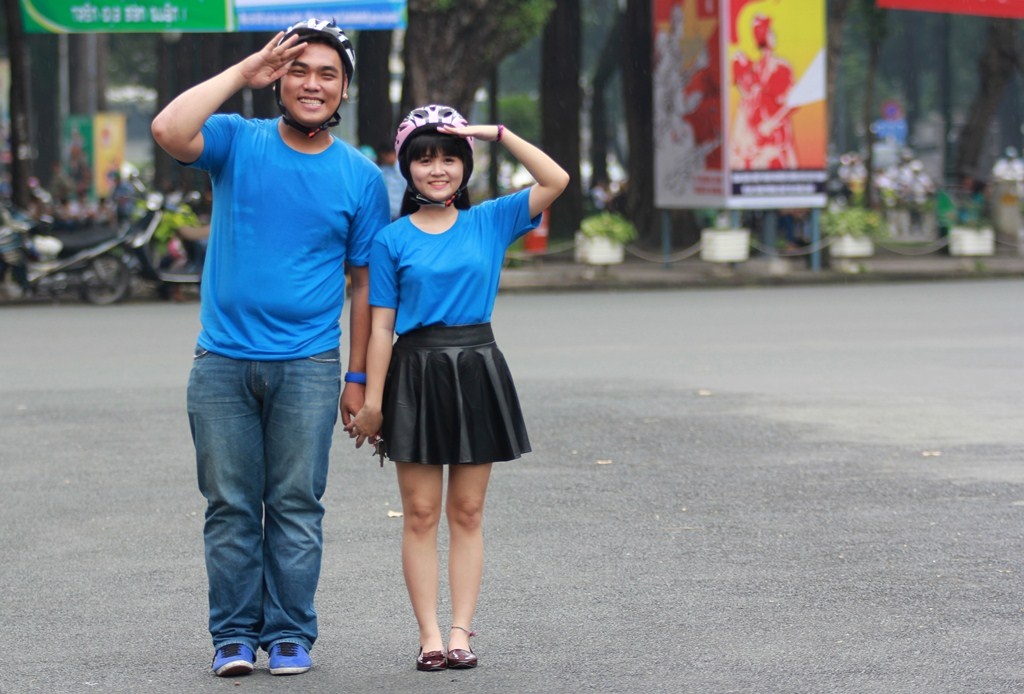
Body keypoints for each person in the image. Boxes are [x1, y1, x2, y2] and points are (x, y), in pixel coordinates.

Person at [150, 18, 390, 678]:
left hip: (309, 366)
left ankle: (288, 634)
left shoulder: (361, 178)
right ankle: (232, 636)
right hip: (222, 361)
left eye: (327, 74)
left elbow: (365, 285)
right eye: (299, 70)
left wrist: (358, 378)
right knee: (229, 506)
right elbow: (169, 130)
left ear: (344, 90)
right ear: (278, 80)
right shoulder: (237, 140)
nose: (312, 84)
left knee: (295, 505)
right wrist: (242, 72)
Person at [346, 104, 569, 672]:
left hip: (475, 368)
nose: (437, 169)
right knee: (421, 513)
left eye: (449, 158)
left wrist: (494, 132)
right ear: (407, 168)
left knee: (467, 511)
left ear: (465, 165)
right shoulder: (391, 240)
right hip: (414, 373)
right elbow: (381, 328)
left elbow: (556, 179)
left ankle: (461, 631)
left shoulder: (491, 220)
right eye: (424, 159)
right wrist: (372, 402)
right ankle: (429, 636)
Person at [377, 142, 406, 221]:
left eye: (385, 156)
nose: (384, 159)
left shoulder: (403, 168)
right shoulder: (383, 170)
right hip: (390, 214)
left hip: (403, 212)